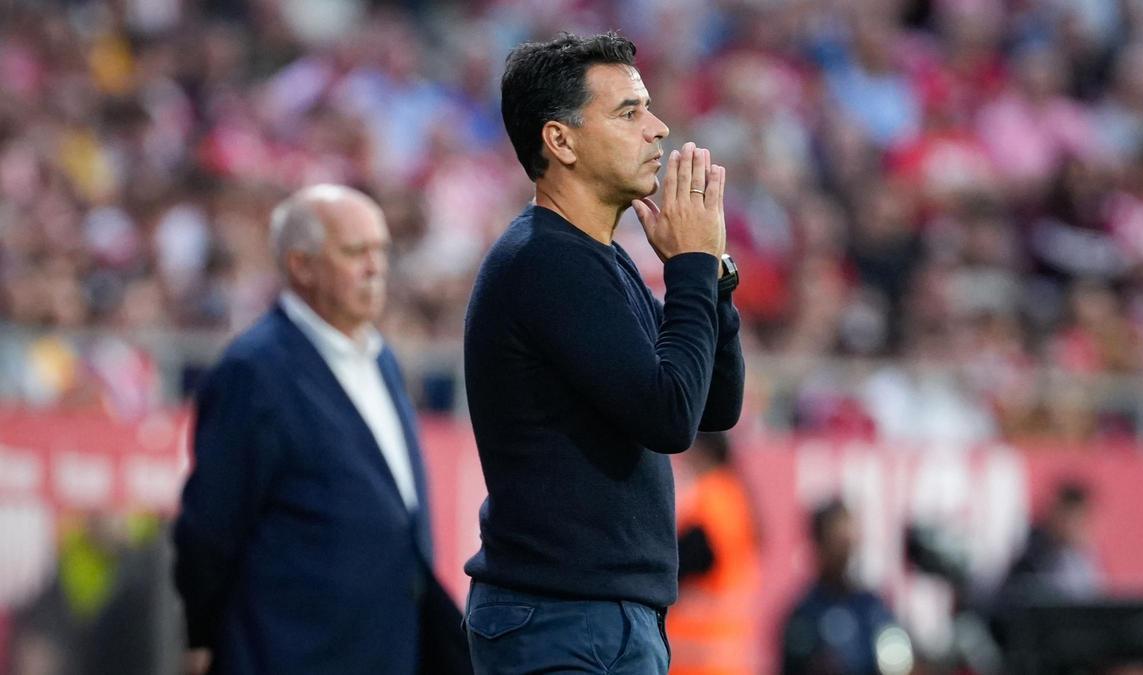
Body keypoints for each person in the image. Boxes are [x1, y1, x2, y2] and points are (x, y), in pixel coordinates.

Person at [462, 32, 745, 675]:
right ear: (559, 141)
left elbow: (713, 406)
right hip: (560, 620)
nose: (659, 127)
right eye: (628, 112)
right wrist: (692, 269)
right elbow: (670, 417)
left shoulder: (599, 260)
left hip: (595, 617)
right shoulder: (545, 261)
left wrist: (713, 277)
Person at [173, 185, 465, 675]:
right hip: (292, 651)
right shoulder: (253, 371)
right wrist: (203, 634)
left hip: (387, 646)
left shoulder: (382, 358)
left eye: (380, 251)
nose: (376, 267)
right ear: (301, 266)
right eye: (355, 252)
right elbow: (209, 529)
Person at [667, 431, 760, 675]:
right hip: (724, 657)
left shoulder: (712, 497)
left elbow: (687, 561)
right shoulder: (733, 495)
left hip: (697, 658)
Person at [780, 499, 909, 675]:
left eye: (849, 543)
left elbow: (900, 663)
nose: (845, 553)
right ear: (820, 544)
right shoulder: (805, 615)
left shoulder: (872, 607)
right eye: (837, 542)